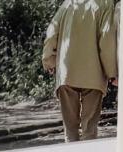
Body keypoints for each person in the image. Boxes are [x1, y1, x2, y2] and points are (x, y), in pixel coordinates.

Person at [41, 0, 118, 143]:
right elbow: (106, 40)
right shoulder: (105, 4)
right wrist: (111, 72)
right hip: (93, 74)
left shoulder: (69, 3)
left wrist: (48, 60)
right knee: (89, 129)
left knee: (70, 130)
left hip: (67, 72)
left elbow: (52, 32)